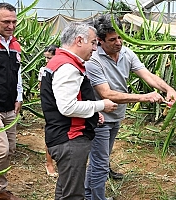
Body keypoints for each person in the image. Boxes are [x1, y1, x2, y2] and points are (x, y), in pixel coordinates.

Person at [84, 14, 176, 200]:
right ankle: (96, 198)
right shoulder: (93, 60)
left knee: (99, 161)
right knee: (101, 163)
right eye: (112, 39)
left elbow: (148, 75)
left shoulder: (127, 53)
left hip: (117, 115)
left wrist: (168, 88)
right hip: (99, 117)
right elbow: (107, 94)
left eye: (120, 36)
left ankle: (89, 196)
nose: (119, 42)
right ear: (100, 41)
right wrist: (145, 97)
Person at [40, 22, 118, 200]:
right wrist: (101, 105)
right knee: (73, 194)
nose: (95, 48)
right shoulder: (67, 67)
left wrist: (91, 113)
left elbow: (69, 100)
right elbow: (67, 107)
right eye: (92, 43)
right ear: (79, 40)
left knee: (65, 188)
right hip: (70, 139)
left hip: (63, 136)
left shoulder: (59, 62)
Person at [0, 3, 23, 200]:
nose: (11, 25)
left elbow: (18, 73)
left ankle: (0, 189)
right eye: (6, 21)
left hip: (9, 107)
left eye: (14, 21)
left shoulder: (15, 44)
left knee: (10, 149)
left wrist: (19, 97)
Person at [38, 44, 59, 177]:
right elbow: (41, 89)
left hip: (64, 106)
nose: (47, 61)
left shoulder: (65, 69)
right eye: (45, 58)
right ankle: (49, 163)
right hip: (51, 107)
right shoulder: (43, 70)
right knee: (51, 135)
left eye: (50, 58)